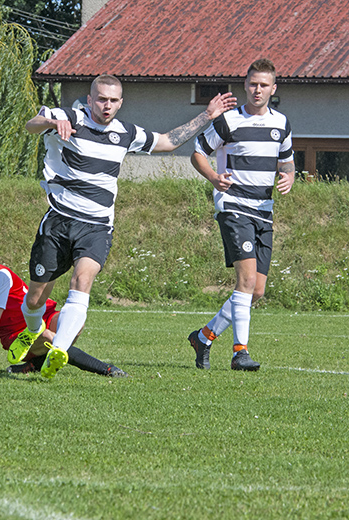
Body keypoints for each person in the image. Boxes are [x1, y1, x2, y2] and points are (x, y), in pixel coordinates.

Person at [14, 74, 237, 371]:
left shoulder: (127, 132)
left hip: (96, 226)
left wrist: (207, 115)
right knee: (35, 299)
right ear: (91, 99)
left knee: (82, 282)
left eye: (113, 100)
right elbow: (32, 125)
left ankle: (58, 350)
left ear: (121, 103)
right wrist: (52, 123)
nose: (107, 105)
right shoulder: (69, 116)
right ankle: (32, 331)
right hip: (59, 221)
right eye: (101, 99)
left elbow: (168, 142)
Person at [187, 59, 295, 372]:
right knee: (245, 281)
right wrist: (213, 177)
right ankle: (240, 352)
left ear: (273, 89)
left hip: (264, 210)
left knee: (256, 290)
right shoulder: (228, 121)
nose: (257, 90)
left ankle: (204, 337)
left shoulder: (282, 124)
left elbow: (286, 161)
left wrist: (288, 175)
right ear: (245, 86)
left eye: (263, 85)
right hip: (234, 207)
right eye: (252, 84)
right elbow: (197, 152)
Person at [0, 255, 127, 378]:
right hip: (15, 336)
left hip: (43, 316)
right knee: (49, 340)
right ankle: (106, 369)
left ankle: (35, 363)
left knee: (74, 324)